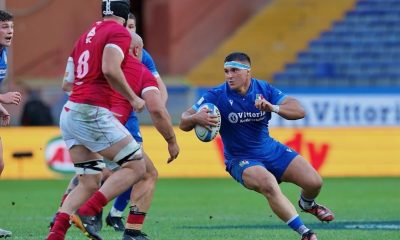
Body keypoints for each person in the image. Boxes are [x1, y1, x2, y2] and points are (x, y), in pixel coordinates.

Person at [179, 52, 334, 240]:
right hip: (241, 159)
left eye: (234, 70)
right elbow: (184, 121)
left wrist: (273, 107)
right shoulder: (216, 95)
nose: (229, 75)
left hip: (271, 150)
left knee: (314, 182)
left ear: (248, 72)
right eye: (226, 71)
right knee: (269, 185)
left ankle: (308, 204)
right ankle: (305, 233)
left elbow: (299, 110)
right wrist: (196, 118)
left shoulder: (264, 89)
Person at [46, 1, 148, 239]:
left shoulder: (85, 36)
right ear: (124, 17)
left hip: (70, 111)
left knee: (89, 181)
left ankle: (55, 235)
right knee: (137, 166)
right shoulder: (118, 32)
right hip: (91, 111)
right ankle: (89, 209)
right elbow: (110, 69)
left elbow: (66, 83)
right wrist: (133, 98)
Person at [105, 13, 168, 235]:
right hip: (105, 120)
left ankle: (110, 214)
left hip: (123, 120)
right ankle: (84, 210)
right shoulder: (109, 54)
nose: (129, 32)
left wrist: (156, 107)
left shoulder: (141, 56)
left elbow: (159, 92)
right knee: (138, 171)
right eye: (126, 27)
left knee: (136, 170)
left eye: (133, 27)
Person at [0, 9, 21, 239]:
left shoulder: (3, 54)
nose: (10, 32)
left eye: (11, 27)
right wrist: (2, 98)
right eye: (5, 27)